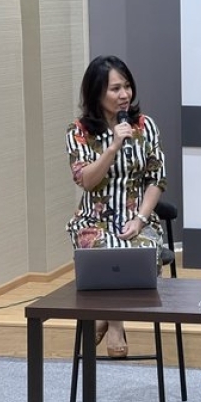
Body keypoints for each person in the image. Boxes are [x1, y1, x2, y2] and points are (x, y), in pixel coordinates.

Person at [65, 55, 167, 358]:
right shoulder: (79, 131)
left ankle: (108, 319)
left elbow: (156, 179)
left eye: (127, 87)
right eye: (115, 89)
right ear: (96, 93)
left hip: (136, 217)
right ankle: (117, 324)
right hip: (93, 219)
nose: (124, 95)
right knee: (103, 249)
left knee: (139, 252)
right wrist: (112, 146)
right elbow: (86, 180)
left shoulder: (145, 126)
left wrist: (139, 218)